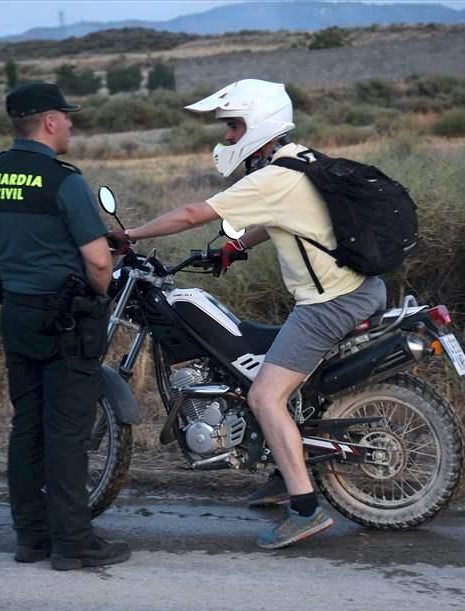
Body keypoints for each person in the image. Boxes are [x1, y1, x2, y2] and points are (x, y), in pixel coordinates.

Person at [108, 79, 386, 549]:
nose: (228, 137)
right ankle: (285, 470)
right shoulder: (300, 160)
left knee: (263, 397)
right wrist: (235, 246)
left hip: (329, 303)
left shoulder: (272, 176)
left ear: (259, 126)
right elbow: (282, 217)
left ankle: (304, 509)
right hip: (360, 289)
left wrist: (130, 234)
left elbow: (195, 212)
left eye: (234, 127)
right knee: (268, 372)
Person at [0, 82, 130, 571]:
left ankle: (31, 538)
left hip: (18, 313)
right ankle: (74, 543)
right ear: (48, 121)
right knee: (68, 433)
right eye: (65, 116)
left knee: (27, 426)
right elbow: (98, 261)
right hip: (68, 319)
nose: (70, 123)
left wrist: (1, 266)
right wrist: (100, 293)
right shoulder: (64, 180)